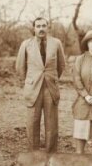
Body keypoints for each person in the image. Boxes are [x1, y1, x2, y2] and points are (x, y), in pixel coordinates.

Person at [15, 17, 66, 153]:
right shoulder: (26, 44)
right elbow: (20, 67)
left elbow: (61, 65)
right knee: (32, 123)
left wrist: (52, 78)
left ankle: (51, 156)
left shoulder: (56, 43)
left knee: (52, 124)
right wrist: (29, 81)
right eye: (38, 26)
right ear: (34, 28)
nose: (41, 28)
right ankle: (34, 156)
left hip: (50, 87)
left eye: (44, 25)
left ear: (48, 27)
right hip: (33, 89)